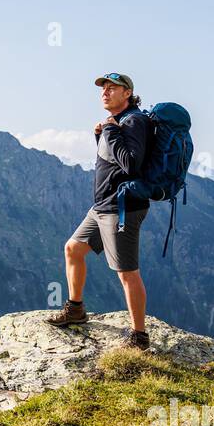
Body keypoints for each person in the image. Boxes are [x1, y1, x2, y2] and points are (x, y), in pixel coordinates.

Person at [45, 72, 150, 350]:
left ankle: (139, 337)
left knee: (126, 272)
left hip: (122, 209)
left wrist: (111, 131)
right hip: (102, 206)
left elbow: (130, 164)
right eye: (103, 88)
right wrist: (101, 136)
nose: (105, 92)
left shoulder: (135, 121)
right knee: (73, 249)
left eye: (112, 88)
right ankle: (76, 309)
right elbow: (113, 162)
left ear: (127, 93)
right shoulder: (115, 124)